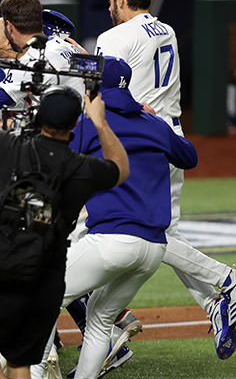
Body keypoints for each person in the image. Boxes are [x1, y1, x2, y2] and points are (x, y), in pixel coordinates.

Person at [95, 0, 236, 357]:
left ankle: (227, 279)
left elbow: (105, 85)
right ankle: (215, 305)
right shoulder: (167, 30)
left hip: (138, 143)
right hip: (169, 136)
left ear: (121, 0)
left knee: (149, 236)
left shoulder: (113, 37)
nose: (109, 6)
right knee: (165, 231)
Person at [0, 69, 129, 379]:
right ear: (76, 124)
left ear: (38, 119)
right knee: (21, 362)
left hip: (1, 268)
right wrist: (100, 121)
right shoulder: (82, 167)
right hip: (48, 275)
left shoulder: (11, 147)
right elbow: (120, 168)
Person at [54, 56, 199, 378]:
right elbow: (189, 157)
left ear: (96, 85)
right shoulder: (153, 123)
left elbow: (61, 165)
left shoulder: (90, 123)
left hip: (112, 241)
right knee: (100, 320)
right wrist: (155, 121)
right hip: (153, 249)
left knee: (40, 297)